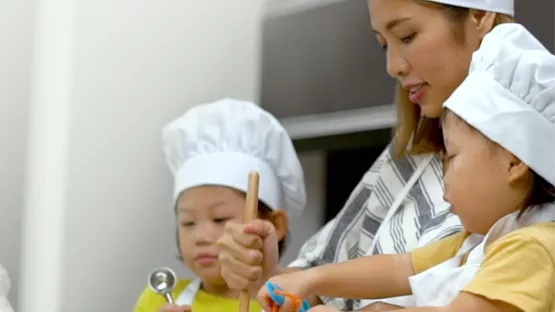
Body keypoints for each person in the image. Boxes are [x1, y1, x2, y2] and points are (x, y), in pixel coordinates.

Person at [217, 1, 515, 310]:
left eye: (408, 35)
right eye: (383, 45)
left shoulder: (531, 205)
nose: (392, 66)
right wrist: (268, 276)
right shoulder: (411, 154)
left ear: (479, 17)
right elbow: (333, 282)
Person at [133, 98, 307, 312]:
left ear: (274, 225)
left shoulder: (289, 304)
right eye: (188, 222)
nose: (201, 237)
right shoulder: (159, 299)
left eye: (220, 219)